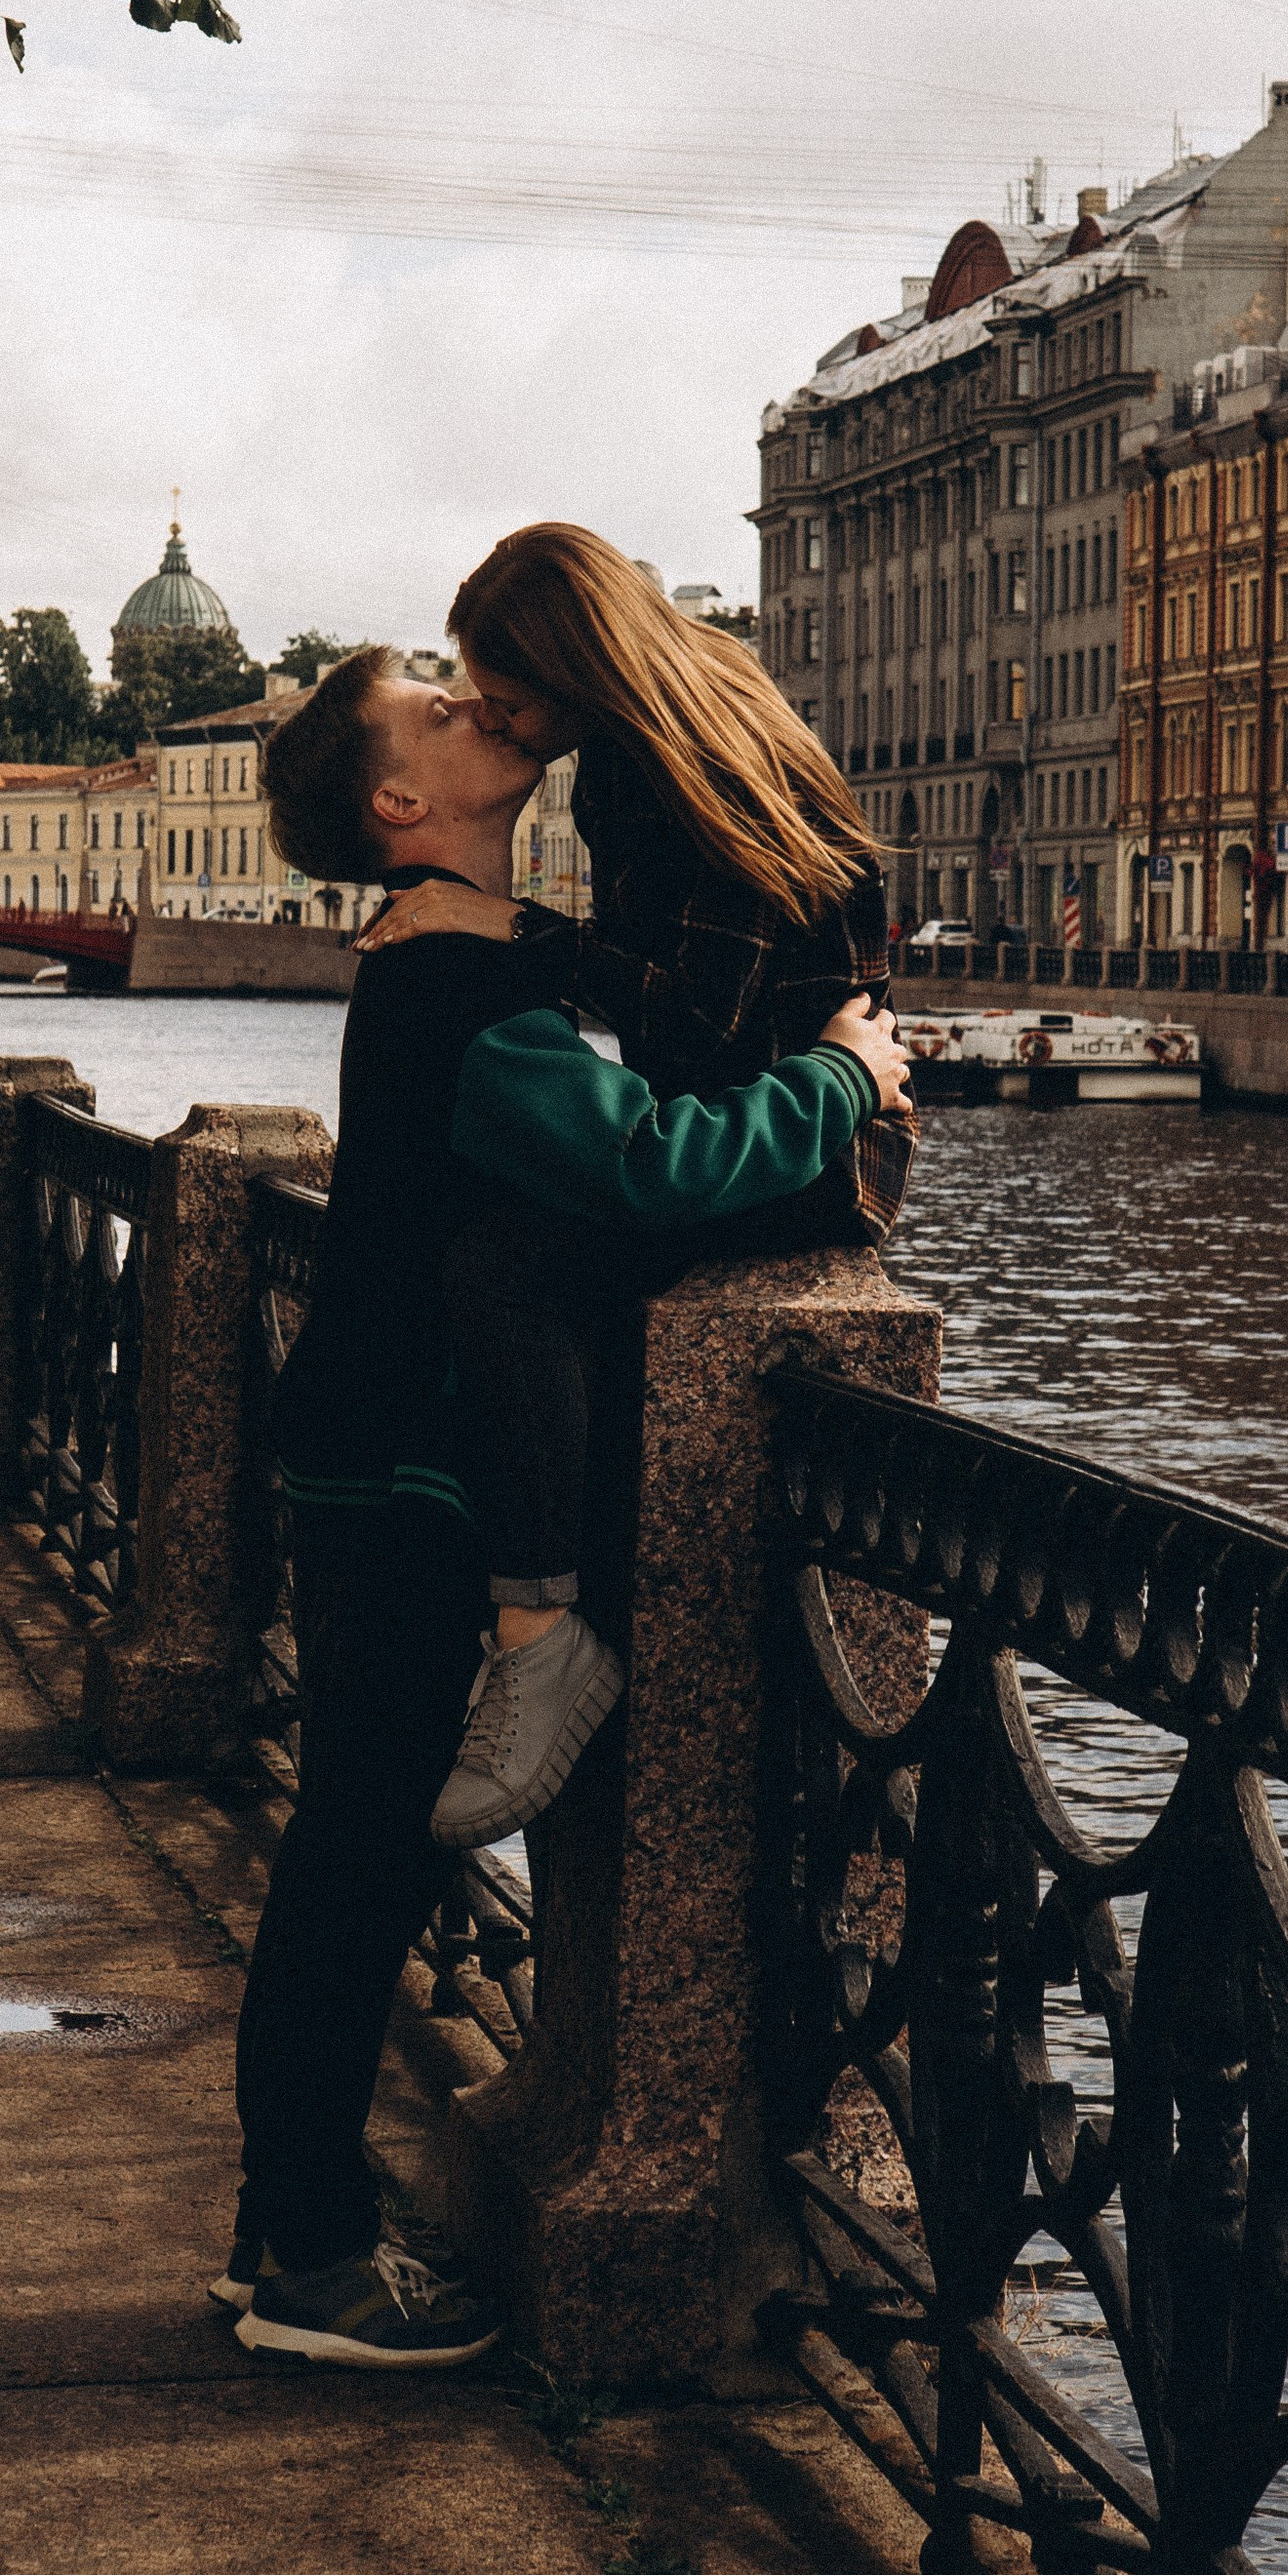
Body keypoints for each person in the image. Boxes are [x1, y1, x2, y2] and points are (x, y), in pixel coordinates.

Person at [225, 649, 910, 2371]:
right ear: (401, 805)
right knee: (355, 1862)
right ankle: (307, 2258)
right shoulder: (463, 991)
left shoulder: (465, 958)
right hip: (396, 1473)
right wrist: (841, 1077)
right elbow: (645, 1165)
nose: (475, 702)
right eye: (434, 703)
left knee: (350, 1850)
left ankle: (285, 2226)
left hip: (372, 1452)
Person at [354, 526, 910, 1851]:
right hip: (782, 1125)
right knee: (525, 1252)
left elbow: (705, 1022)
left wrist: (514, 935)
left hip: (808, 1149)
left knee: (500, 1261)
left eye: (510, 700)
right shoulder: (676, 723)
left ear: (578, 664)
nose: (501, 726)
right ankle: (545, 1620)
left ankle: (542, 1638)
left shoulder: (680, 766)